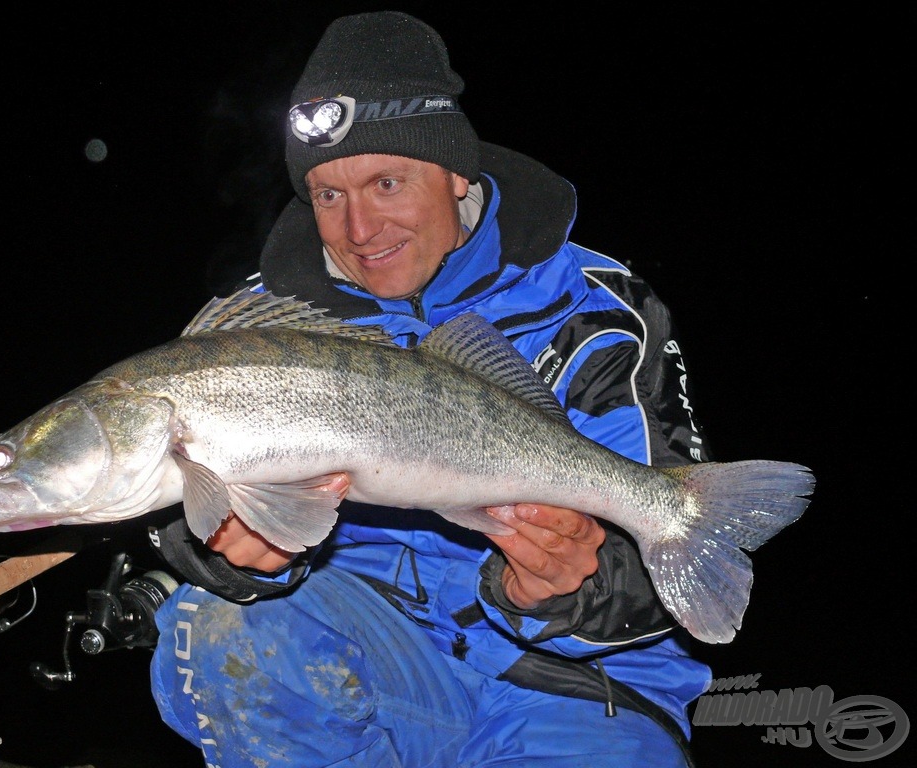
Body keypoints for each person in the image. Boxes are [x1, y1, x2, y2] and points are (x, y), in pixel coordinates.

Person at [148, 11, 712, 767]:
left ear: (455, 173)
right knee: (212, 627)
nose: (359, 228)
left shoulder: (595, 312)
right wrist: (231, 552)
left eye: (387, 182)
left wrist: (557, 588)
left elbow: (653, 592)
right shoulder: (261, 332)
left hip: (573, 683)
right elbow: (200, 515)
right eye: (327, 196)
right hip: (379, 660)